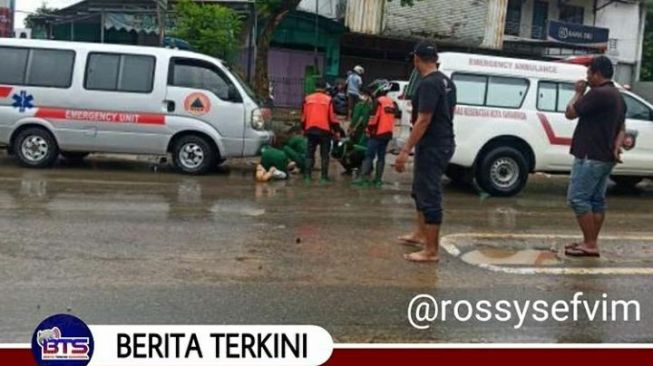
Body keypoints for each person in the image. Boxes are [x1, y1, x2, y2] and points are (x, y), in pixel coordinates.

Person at [395, 41, 457, 263]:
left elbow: (424, 119)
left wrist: (405, 150)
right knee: (419, 188)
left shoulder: (428, 84)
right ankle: (420, 234)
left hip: (433, 145)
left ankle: (431, 250)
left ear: (416, 59)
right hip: (441, 142)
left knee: (429, 193)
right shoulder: (447, 82)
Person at [563, 56, 627, 258]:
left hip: (590, 155)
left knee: (578, 199)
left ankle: (590, 244)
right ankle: (590, 241)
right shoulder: (618, 96)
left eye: (589, 73)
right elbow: (622, 128)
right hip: (605, 156)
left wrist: (578, 93)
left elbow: (570, 113)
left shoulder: (598, 93)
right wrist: (616, 148)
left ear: (598, 74)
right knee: (596, 200)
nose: (587, 77)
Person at [353, 80, 396, 186]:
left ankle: (363, 179)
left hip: (376, 133)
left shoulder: (378, 102)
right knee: (381, 157)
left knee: (369, 155)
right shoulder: (391, 102)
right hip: (387, 133)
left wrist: (368, 129)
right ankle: (378, 180)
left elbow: (373, 119)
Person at [302, 78, 341, 182]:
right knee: (324, 154)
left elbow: (303, 117)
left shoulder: (307, 99)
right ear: (324, 88)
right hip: (325, 131)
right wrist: (337, 131)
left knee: (309, 154)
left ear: (315, 87)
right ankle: (324, 177)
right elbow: (333, 118)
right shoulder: (329, 99)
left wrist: (303, 129)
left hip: (310, 129)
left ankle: (307, 177)